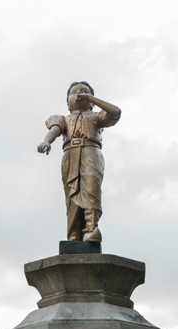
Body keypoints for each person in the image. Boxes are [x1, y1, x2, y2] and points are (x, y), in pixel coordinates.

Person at [37, 81, 121, 242]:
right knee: (71, 194)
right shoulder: (63, 119)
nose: (79, 94)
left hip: (92, 152)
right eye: (74, 92)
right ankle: (74, 233)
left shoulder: (97, 117)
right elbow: (54, 131)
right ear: (67, 102)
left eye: (84, 91)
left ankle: (91, 228)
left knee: (91, 188)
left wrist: (92, 99)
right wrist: (46, 142)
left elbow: (116, 112)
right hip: (70, 154)